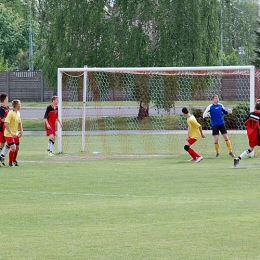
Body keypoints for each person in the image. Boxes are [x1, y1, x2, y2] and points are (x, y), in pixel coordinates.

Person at [234, 102, 260, 167]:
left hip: (251, 135)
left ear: (255, 107)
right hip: (258, 135)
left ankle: (238, 159)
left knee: (251, 149)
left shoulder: (251, 114)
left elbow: (245, 122)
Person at [0, 100, 23, 167]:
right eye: (20, 104)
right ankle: (10, 163)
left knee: (17, 147)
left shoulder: (18, 113)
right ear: (16, 106)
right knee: (13, 147)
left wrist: (21, 130)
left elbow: (20, 122)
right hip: (8, 134)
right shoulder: (10, 113)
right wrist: (11, 132)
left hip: (15, 134)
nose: (20, 105)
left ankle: (14, 160)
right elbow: (6, 123)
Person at [0, 94, 10, 162]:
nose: (8, 99)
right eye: (7, 98)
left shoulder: (8, 108)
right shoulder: (1, 109)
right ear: (5, 99)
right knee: (2, 144)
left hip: (8, 128)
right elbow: (2, 119)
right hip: (2, 127)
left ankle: (2, 156)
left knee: (10, 143)